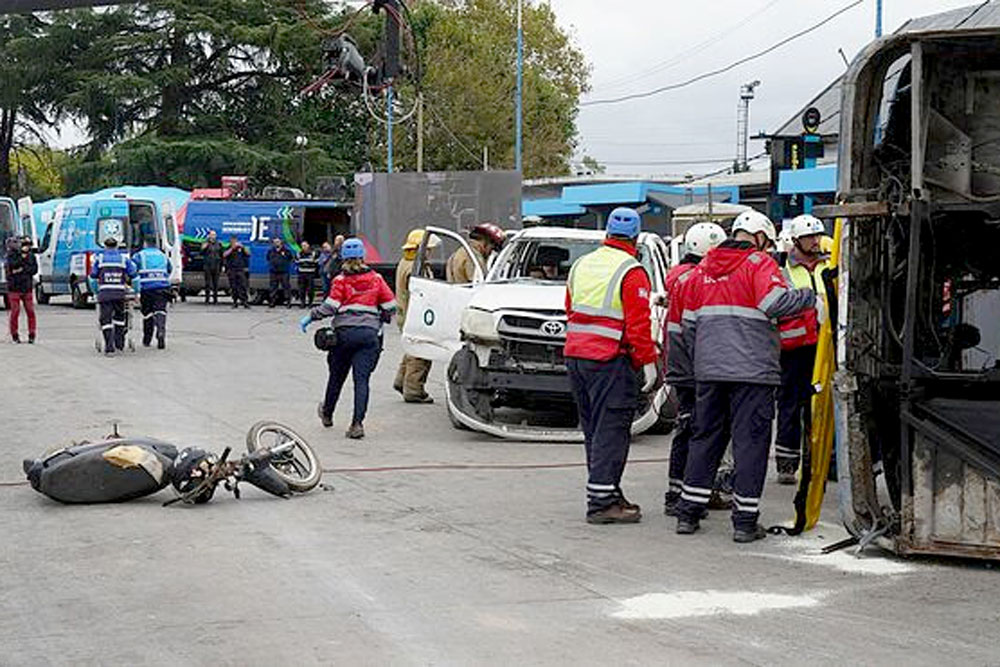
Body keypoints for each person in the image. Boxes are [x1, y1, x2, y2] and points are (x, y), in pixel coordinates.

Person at [673, 209, 815, 542]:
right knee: (750, 443)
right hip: (752, 372)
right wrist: (811, 297)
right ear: (761, 237)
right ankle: (745, 522)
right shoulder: (759, 263)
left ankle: (688, 513)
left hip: (710, 370)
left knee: (705, 438)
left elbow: (688, 325)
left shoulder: (703, 268)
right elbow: (773, 303)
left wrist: (703, 360)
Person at [564, 207, 658, 525]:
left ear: (607, 233)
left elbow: (569, 308)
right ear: (636, 237)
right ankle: (602, 501)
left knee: (594, 429)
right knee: (612, 429)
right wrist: (648, 363)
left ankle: (606, 490)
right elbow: (638, 324)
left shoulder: (582, 264)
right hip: (609, 360)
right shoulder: (631, 271)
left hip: (576, 357)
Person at [300, 238, 396, 439]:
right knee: (362, 380)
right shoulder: (376, 279)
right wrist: (378, 312)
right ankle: (357, 424)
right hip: (369, 335)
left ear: (343, 257)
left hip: (343, 335)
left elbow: (330, 307)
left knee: (336, 377)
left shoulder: (341, 280)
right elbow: (391, 305)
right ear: (363, 256)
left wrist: (311, 316)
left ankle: (327, 414)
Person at [662, 222, 726, 515]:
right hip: (695, 367)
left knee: (689, 428)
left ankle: (683, 491)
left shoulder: (680, 277)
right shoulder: (697, 279)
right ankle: (687, 494)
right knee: (698, 430)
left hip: (682, 364)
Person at [774, 214, 831, 485]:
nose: (816, 241)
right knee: (790, 405)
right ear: (796, 240)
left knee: (820, 406)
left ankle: (822, 462)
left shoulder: (828, 265)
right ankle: (787, 463)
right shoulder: (782, 269)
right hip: (793, 350)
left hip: (824, 345)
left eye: (817, 236)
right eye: (810, 237)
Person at [393, 229, 440, 403]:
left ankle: (402, 380)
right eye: (428, 249)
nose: (430, 252)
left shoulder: (405, 263)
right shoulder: (416, 268)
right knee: (421, 350)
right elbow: (422, 293)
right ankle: (414, 389)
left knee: (411, 347)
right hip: (415, 315)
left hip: (404, 313)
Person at [90, 236, 138, 356]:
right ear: (116, 246)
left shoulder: (100, 259)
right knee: (119, 319)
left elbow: (93, 276)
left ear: (105, 246)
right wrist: (136, 291)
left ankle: (109, 348)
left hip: (105, 294)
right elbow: (133, 274)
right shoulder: (123, 259)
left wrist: (95, 291)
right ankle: (119, 345)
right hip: (119, 294)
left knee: (106, 320)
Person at [133, 237, 172, 349]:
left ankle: (147, 338)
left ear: (145, 244)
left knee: (148, 314)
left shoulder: (139, 255)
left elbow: (132, 270)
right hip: (162, 286)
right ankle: (161, 331)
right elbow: (169, 268)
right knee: (161, 311)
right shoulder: (163, 255)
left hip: (146, 287)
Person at [6, 236, 37, 344]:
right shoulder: (12, 255)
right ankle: (14, 334)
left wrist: (21, 269)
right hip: (14, 288)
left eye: (28, 245)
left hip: (27, 287)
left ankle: (32, 334)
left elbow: (34, 269)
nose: (26, 248)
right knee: (15, 311)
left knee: (30, 311)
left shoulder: (31, 256)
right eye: (24, 245)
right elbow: (12, 266)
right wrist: (22, 259)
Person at [223, 235, 251, 308]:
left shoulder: (241, 248)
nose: (234, 242)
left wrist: (243, 247)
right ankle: (235, 302)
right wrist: (232, 249)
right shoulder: (228, 247)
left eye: (235, 241)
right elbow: (224, 255)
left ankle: (245, 302)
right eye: (233, 241)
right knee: (233, 287)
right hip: (231, 269)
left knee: (243, 286)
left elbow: (248, 254)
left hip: (240, 269)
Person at [266, 237, 293, 308]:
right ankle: (272, 302)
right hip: (274, 272)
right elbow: (268, 258)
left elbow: (290, 258)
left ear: (281, 242)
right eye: (275, 242)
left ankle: (288, 302)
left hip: (284, 272)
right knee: (273, 287)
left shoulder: (286, 251)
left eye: (277, 242)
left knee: (286, 287)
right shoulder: (271, 251)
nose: (276, 243)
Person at [201, 230, 223, 304]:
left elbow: (221, 255)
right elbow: (201, 252)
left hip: (216, 265)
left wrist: (222, 265)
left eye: (214, 235)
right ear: (209, 235)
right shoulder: (205, 243)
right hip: (208, 265)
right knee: (208, 283)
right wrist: (204, 247)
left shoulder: (219, 244)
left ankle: (215, 299)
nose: (213, 236)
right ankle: (207, 299)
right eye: (211, 235)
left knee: (215, 283)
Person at [296, 241, 320, 307]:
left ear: (308, 245)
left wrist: (308, 263)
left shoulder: (313, 253)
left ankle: (310, 302)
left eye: (305, 245)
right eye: (302, 246)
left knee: (310, 289)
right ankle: (302, 303)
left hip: (310, 273)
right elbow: (296, 262)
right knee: (301, 289)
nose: (303, 247)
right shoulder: (298, 254)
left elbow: (317, 262)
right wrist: (308, 262)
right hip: (301, 273)